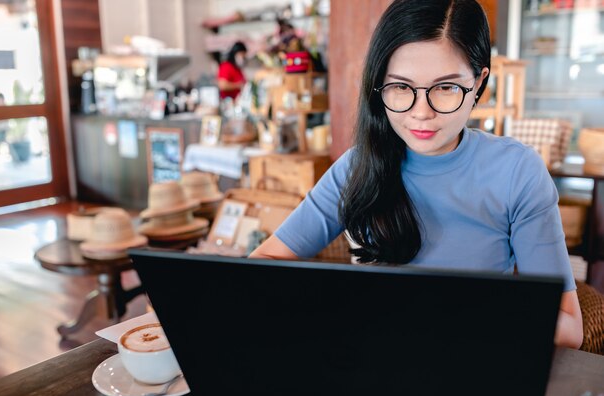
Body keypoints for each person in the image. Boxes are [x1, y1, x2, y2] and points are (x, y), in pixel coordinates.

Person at [250, 0, 583, 348]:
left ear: (479, 83)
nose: (421, 113)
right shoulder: (358, 166)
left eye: (446, 88)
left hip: (475, 365)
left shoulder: (517, 172)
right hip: (374, 364)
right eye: (400, 87)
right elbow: (260, 268)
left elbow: (570, 328)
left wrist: (445, 313)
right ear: (379, 85)